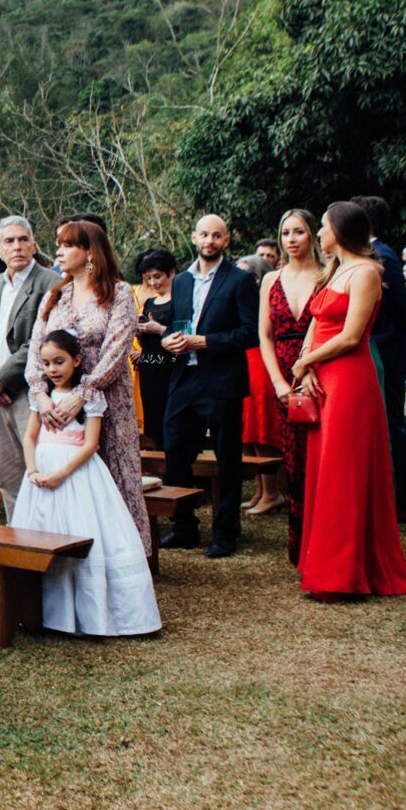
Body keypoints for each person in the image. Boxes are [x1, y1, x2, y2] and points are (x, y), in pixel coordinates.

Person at [291, 202, 406, 599]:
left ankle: (344, 573)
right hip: (321, 375)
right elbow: (315, 321)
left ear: (340, 231)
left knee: (343, 470)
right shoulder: (333, 270)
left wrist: (305, 361)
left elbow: (350, 335)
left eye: (323, 227)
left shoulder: (367, 272)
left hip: (349, 378)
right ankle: (323, 564)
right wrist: (307, 366)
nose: (319, 234)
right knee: (324, 467)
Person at [15, 329, 162, 636]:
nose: (53, 369)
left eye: (59, 362)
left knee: (81, 535)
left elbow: (90, 445)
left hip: (76, 474)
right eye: (46, 363)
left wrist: (60, 474)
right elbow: (29, 438)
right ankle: (41, 612)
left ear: (76, 360)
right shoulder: (39, 396)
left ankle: (89, 614)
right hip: (40, 472)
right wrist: (33, 472)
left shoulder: (90, 397)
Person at [26, 220, 151, 556]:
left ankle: (124, 559)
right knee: (71, 479)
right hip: (58, 402)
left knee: (114, 473)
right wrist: (40, 394)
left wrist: (84, 392)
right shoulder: (56, 295)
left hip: (108, 398)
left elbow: (116, 350)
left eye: (67, 245)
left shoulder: (120, 292)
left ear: (90, 251)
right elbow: (37, 347)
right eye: (59, 244)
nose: (59, 252)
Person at [154, 214, 258, 558]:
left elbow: (249, 333)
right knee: (176, 451)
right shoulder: (181, 281)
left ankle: (225, 532)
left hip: (222, 379)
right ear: (193, 237)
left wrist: (206, 342)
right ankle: (184, 528)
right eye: (204, 234)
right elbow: (174, 325)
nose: (209, 241)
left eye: (216, 235)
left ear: (226, 241)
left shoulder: (240, 281)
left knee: (228, 458)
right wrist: (169, 340)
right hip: (184, 378)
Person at [0, 216, 60, 520]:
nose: (17, 246)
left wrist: (2, 381)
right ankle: (18, 538)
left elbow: (42, 340)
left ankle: (47, 542)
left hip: (28, 394)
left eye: (23, 239)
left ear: (34, 244)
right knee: (8, 476)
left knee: (41, 471)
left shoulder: (49, 283)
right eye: (9, 241)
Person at [351, 195, 406, 522]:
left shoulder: (382, 255)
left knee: (392, 422)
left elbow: (396, 300)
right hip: (375, 343)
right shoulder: (364, 254)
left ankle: (404, 501)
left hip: (387, 345)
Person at [257, 209, 320, 561]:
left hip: (319, 369)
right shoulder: (270, 280)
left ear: (312, 234)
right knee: (293, 460)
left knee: (320, 458)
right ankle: (300, 543)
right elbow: (264, 336)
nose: (292, 239)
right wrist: (279, 382)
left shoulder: (329, 275)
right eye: (285, 233)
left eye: (299, 232)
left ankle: (324, 537)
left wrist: (309, 367)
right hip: (281, 372)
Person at [236, 254, 287, 512]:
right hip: (243, 361)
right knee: (249, 432)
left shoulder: (266, 299)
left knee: (262, 428)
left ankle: (272, 492)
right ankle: (260, 490)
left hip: (261, 362)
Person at [131, 249, 178, 445]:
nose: (153, 283)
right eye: (148, 278)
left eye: (157, 276)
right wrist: (140, 332)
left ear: (171, 273)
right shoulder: (150, 302)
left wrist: (159, 329)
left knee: (174, 423)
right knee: (154, 423)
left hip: (171, 366)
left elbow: (184, 332)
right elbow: (144, 341)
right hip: (149, 366)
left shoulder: (180, 300)